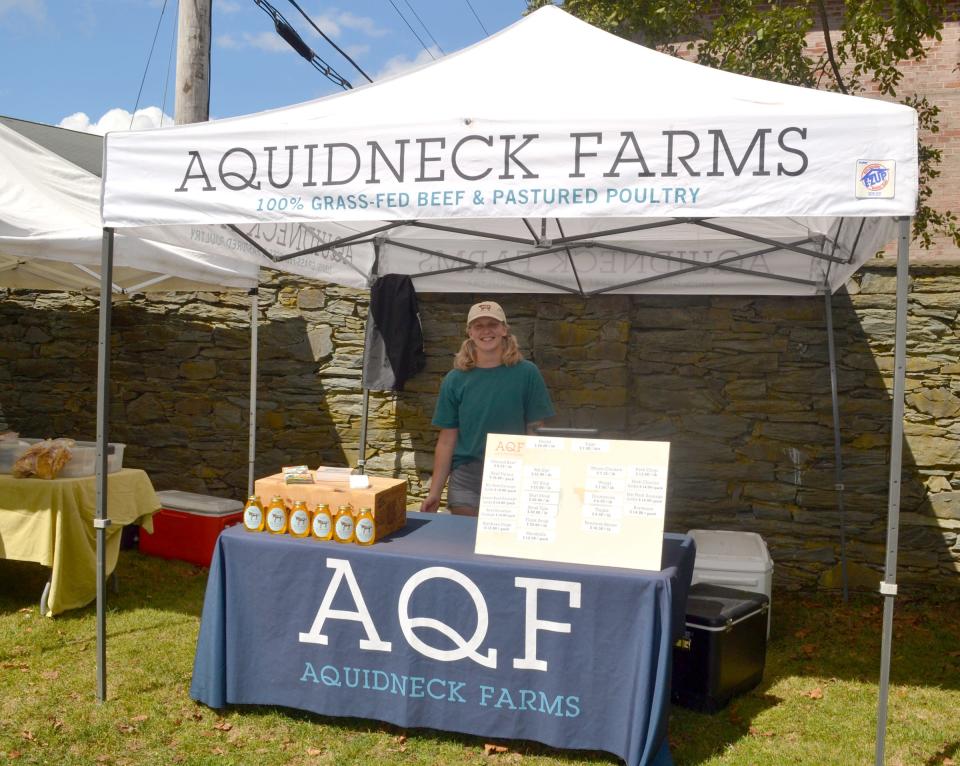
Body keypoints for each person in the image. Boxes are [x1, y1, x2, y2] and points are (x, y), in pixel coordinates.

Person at [421, 300, 554, 516]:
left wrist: (533, 477)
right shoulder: (455, 380)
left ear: (504, 329)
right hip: (467, 473)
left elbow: (536, 430)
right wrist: (434, 492)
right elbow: (447, 440)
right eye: (478, 326)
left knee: (504, 542)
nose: (486, 331)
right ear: (470, 333)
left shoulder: (527, 373)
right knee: (464, 542)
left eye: (492, 324)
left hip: (512, 470)